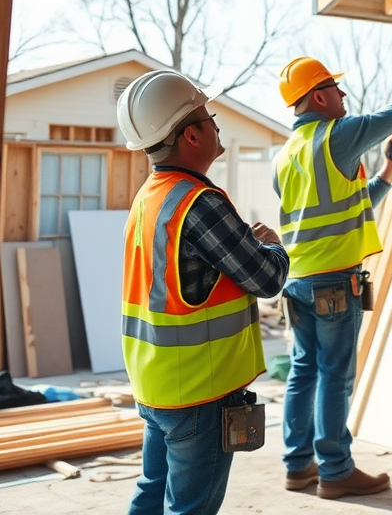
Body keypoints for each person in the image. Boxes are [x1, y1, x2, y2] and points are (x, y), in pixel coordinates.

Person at [115, 69, 290, 515]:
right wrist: (270, 245)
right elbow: (267, 279)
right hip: (198, 393)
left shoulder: (150, 197)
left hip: (157, 386)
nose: (215, 125)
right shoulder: (199, 202)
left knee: (152, 495)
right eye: (209, 117)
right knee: (189, 508)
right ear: (191, 136)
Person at [274, 50, 392, 498]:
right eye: (334, 87)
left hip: (298, 281)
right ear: (318, 96)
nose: (343, 94)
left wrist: (389, 171)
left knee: (305, 371)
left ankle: (298, 466)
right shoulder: (337, 135)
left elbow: (349, 208)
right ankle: (337, 471)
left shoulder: (285, 155)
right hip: (334, 282)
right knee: (335, 374)